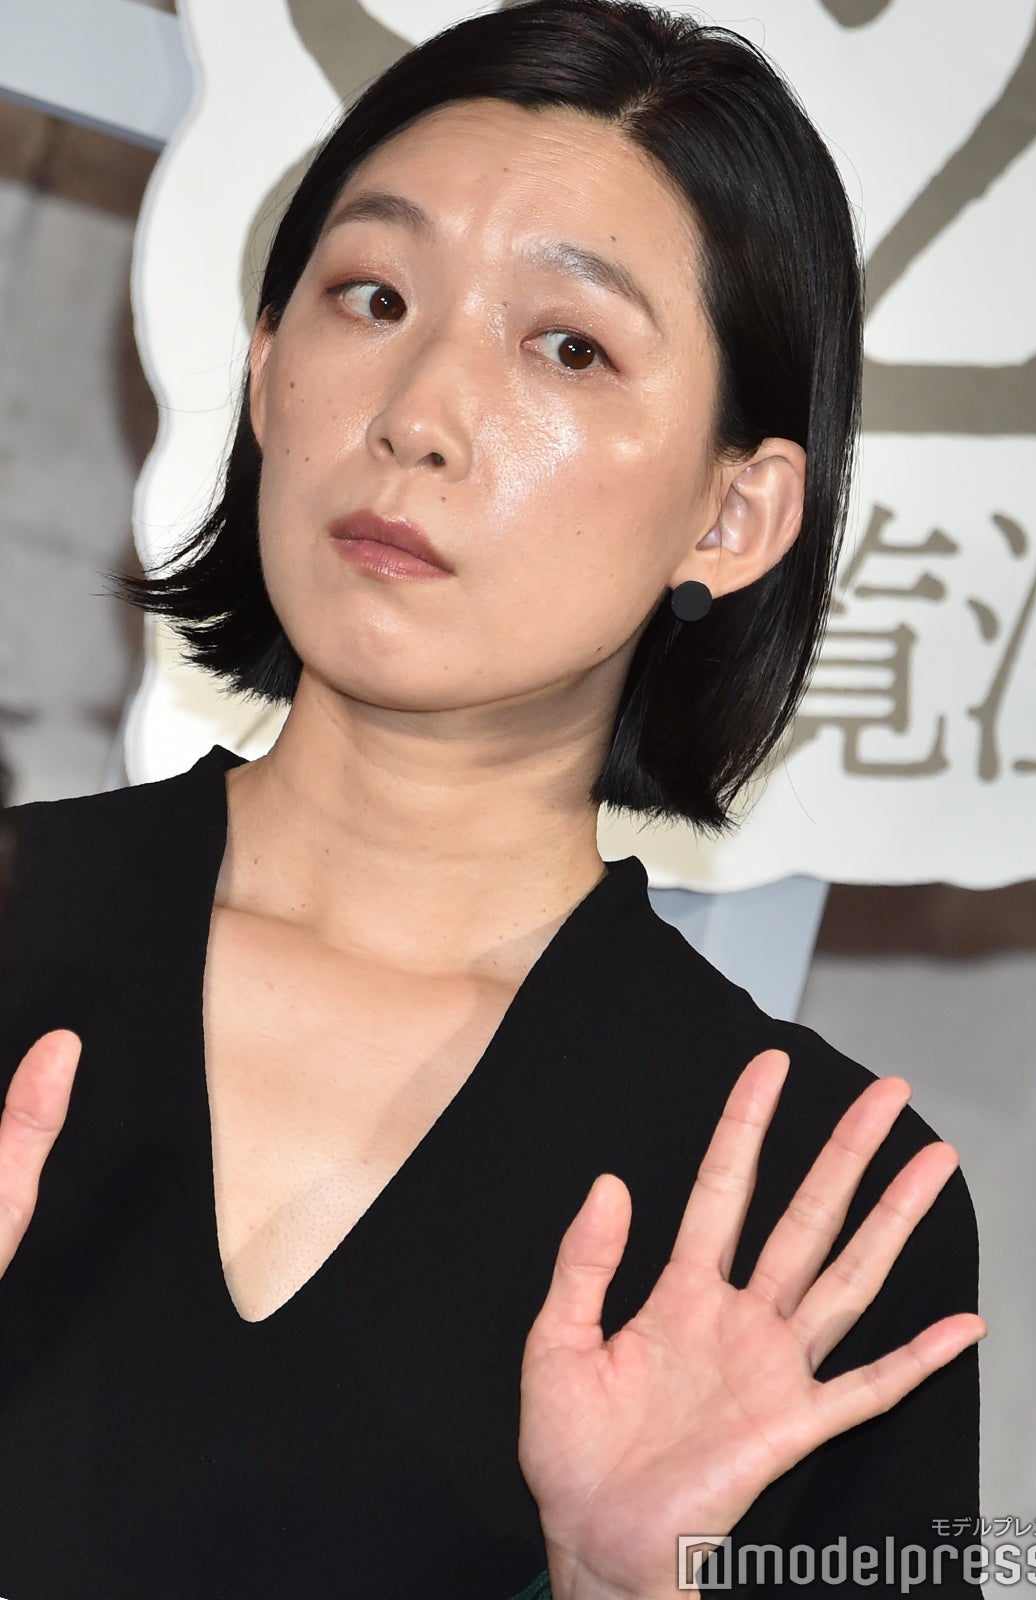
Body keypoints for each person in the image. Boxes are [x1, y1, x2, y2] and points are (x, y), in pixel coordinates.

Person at [0, 2, 982, 1595]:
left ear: (733, 514)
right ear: (267, 373)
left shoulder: (808, 1211)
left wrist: (615, 1588)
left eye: (568, 346)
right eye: (372, 296)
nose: (418, 412)